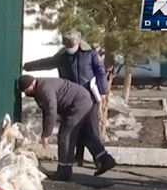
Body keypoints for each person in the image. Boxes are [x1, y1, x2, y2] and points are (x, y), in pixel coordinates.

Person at [23, 30, 113, 168]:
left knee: (90, 129)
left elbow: (100, 72)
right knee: (78, 130)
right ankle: (90, 159)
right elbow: (47, 63)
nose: (70, 48)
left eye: (72, 45)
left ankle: (98, 161)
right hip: (70, 98)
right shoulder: (62, 57)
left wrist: (102, 91)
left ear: (79, 42)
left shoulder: (90, 54)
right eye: (67, 45)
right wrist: (27, 66)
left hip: (89, 95)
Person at [17, 74, 116, 181]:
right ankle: (105, 159)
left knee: (66, 136)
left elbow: (51, 111)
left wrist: (46, 134)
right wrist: (45, 132)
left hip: (78, 104)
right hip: (83, 100)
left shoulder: (44, 89)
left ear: (31, 85)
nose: (26, 93)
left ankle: (64, 171)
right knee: (84, 134)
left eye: (26, 90)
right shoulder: (41, 87)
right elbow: (47, 111)